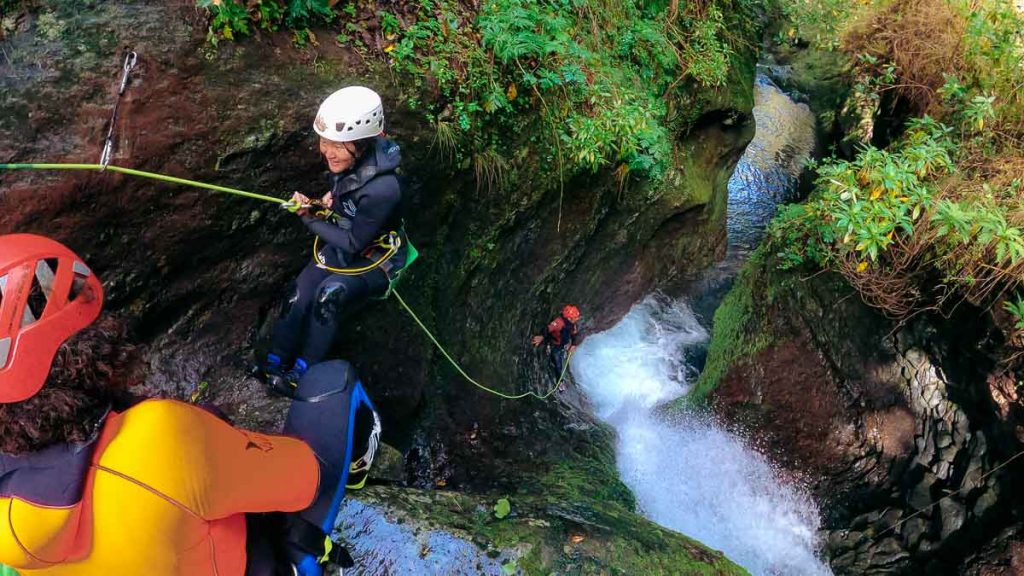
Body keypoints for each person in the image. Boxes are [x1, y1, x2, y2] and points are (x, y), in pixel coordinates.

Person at [0, 233, 380, 576]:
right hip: (238, 559)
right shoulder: (158, 436)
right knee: (330, 383)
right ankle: (323, 526)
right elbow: (302, 477)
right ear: (92, 347)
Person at [264, 86, 409, 395]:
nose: (327, 151)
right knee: (298, 293)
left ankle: (302, 373)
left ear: (361, 143)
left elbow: (355, 243)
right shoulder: (350, 160)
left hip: (376, 259)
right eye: (324, 141)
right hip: (345, 238)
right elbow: (345, 193)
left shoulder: (385, 188)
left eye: (338, 145)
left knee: (327, 296)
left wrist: (308, 217)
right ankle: (274, 364)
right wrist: (325, 203)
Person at [531, 305, 582, 378]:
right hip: (555, 344)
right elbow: (547, 329)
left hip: (562, 343)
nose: (576, 319)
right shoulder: (558, 323)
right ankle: (559, 381)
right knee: (558, 365)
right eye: (574, 318)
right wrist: (541, 337)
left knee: (561, 354)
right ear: (569, 318)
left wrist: (573, 345)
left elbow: (574, 335)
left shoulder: (572, 324)